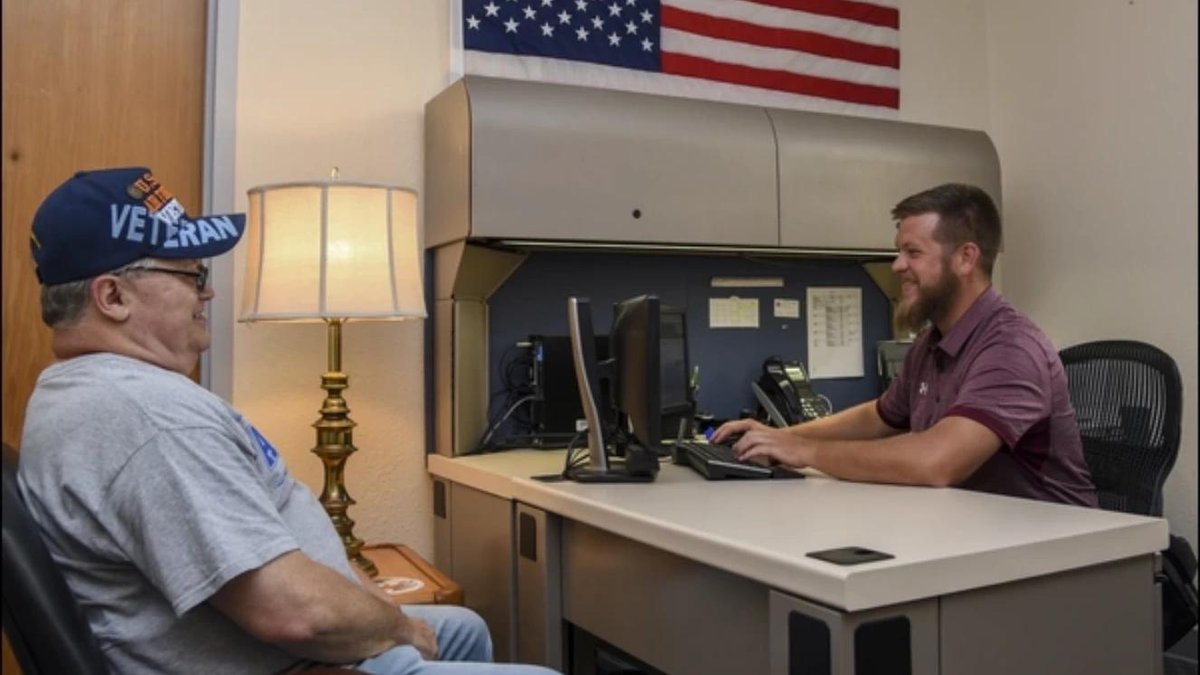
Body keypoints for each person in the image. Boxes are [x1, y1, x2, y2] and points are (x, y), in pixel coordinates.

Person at [17, 167, 560, 675]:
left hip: (294, 650)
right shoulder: (150, 420)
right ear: (113, 296)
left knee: (463, 627)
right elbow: (298, 616)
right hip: (307, 664)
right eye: (191, 274)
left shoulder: (97, 391)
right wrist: (398, 627)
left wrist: (375, 605)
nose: (207, 291)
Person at [714, 183, 1098, 507]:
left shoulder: (1011, 349)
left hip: (1052, 549)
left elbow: (937, 461)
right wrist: (784, 437)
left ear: (966, 258)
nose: (897, 265)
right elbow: (879, 417)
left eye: (913, 253)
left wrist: (805, 452)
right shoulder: (931, 343)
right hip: (972, 529)